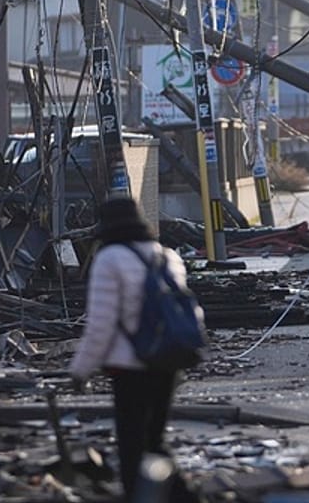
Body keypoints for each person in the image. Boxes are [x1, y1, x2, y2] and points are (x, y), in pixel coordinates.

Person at [68, 197, 198, 503]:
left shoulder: (110, 258)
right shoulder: (166, 256)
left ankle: (138, 496)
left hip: (130, 366)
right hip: (168, 358)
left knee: (131, 443)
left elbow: (100, 325)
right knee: (154, 439)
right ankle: (183, 497)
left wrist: (80, 369)